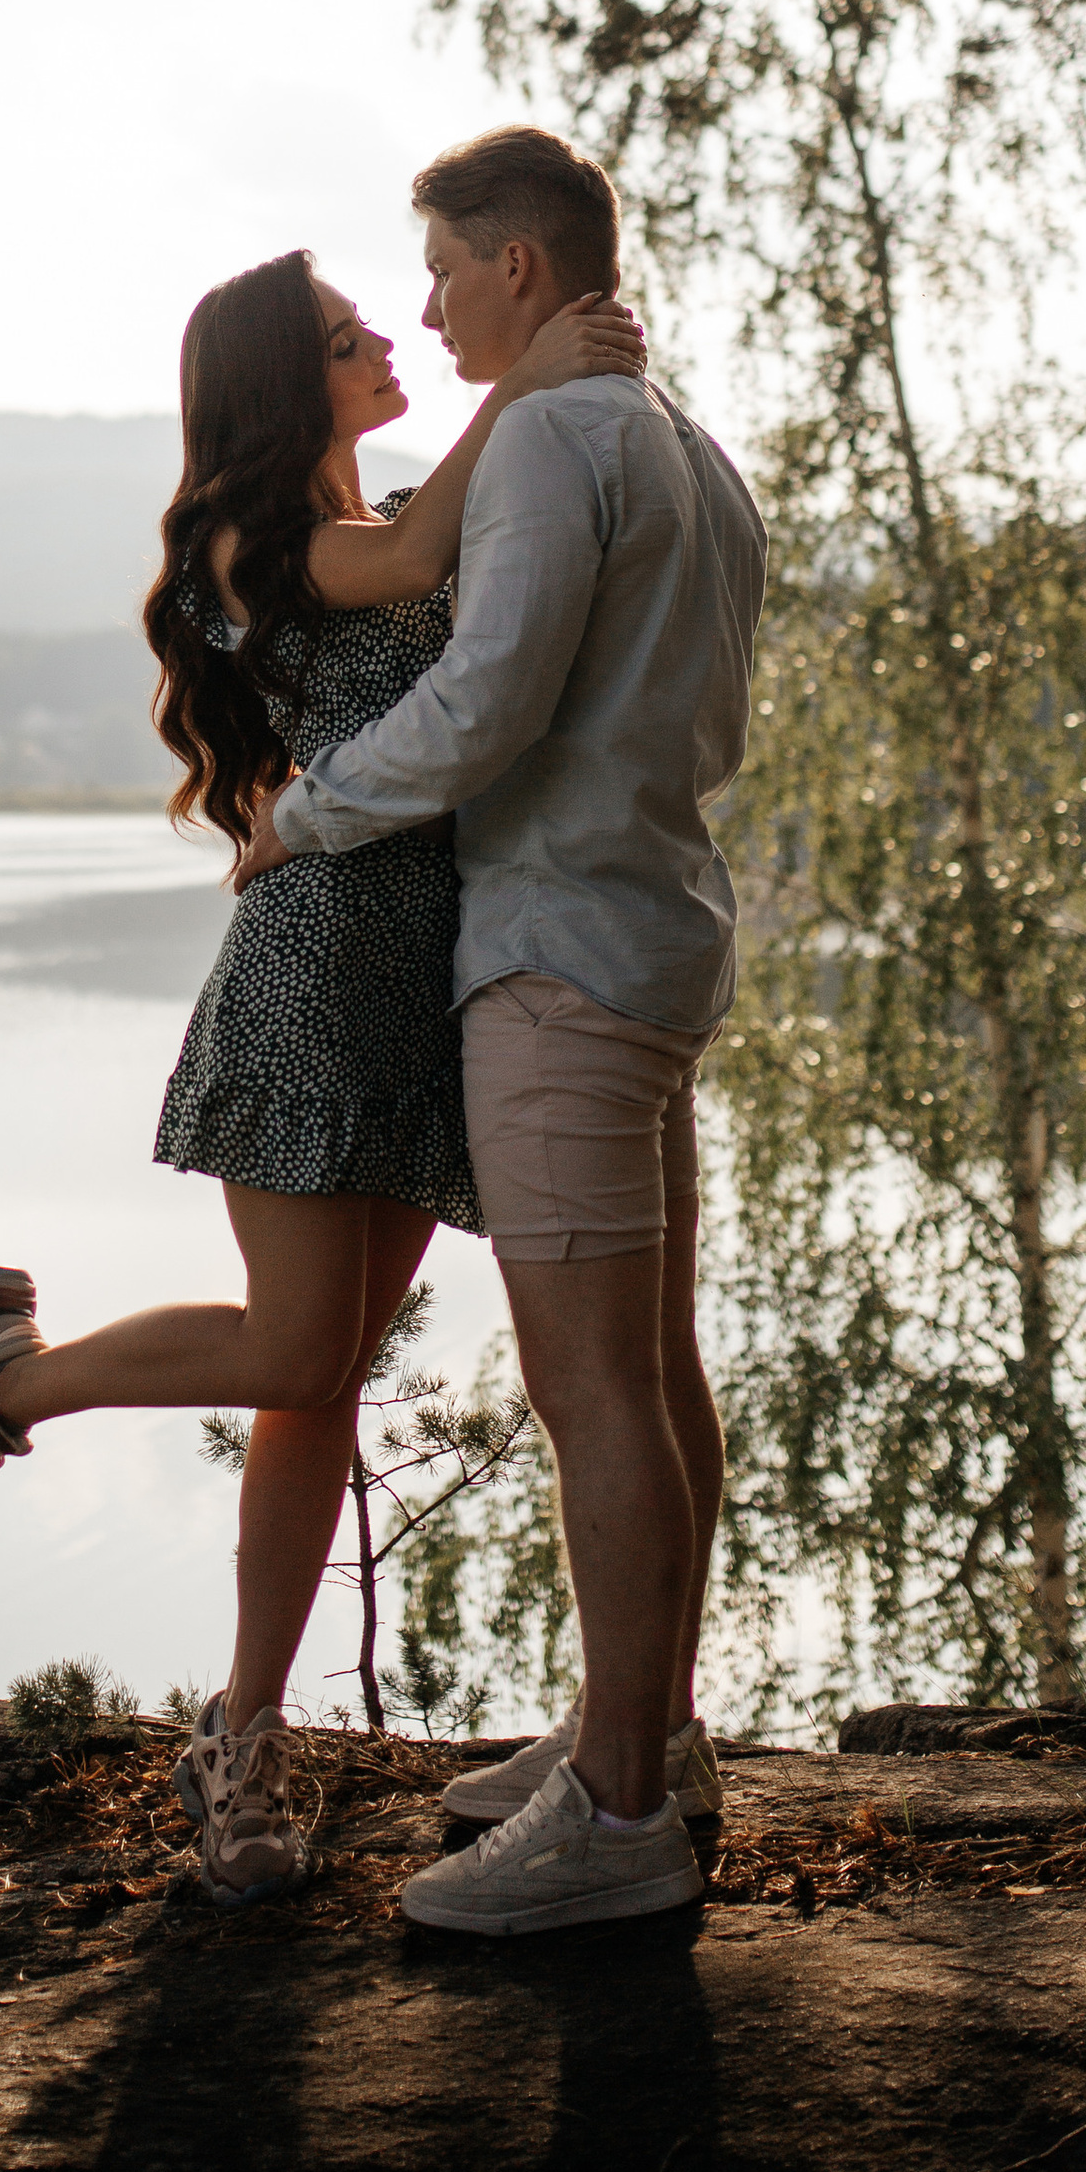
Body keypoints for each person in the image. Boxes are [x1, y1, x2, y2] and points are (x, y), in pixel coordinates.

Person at [0, 242, 646, 1908]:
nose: (385, 337)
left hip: (423, 989)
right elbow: (432, 545)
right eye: (343, 333)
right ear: (273, 382)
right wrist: (537, 365)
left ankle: (242, 1739)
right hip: (311, 978)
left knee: (319, 1384)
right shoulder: (258, 538)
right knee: (299, 1346)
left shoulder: (373, 532)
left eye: (380, 318)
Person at [231, 124, 766, 1940]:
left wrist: (300, 818)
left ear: (519, 267)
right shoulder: (684, 442)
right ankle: (645, 1740)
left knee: (591, 1388)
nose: (438, 305)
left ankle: (620, 1819)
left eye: (450, 271)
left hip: (554, 962)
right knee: (657, 1372)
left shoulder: (550, 431)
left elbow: (484, 699)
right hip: (660, 930)